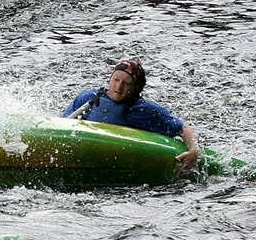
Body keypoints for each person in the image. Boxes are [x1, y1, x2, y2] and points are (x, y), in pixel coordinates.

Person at [62, 59, 199, 172]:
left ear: (136, 88)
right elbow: (61, 124)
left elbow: (183, 128)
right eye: (116, 79)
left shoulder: (143, 109)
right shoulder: (88, 98)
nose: (119, 86)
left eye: (127, 83)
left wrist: (193, 151)